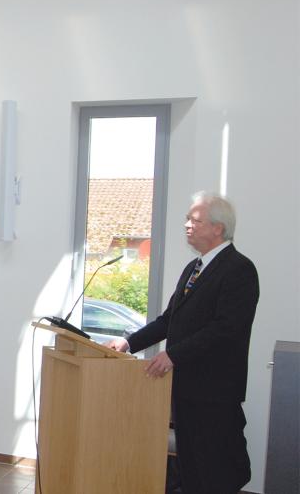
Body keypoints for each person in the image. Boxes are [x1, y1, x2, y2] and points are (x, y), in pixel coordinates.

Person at [105, 192, 259, 494]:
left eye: (195, 220)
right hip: (186, 390)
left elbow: (225, 328)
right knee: (190, 471)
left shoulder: (239, 269)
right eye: (188, 219)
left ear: (218, 228)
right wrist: (128, 343)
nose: (187, 225)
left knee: (216, 471)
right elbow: (169, 321)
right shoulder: (194, 269)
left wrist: (174, 355)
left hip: (215, 393)